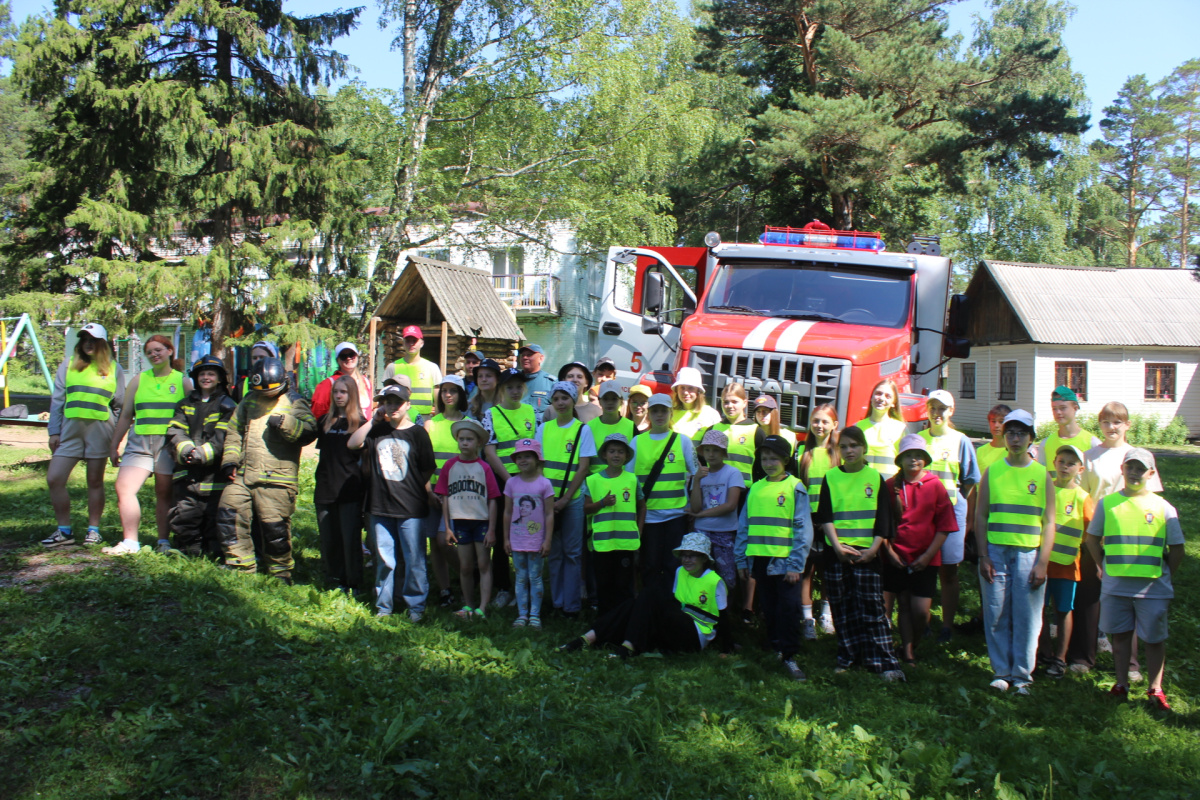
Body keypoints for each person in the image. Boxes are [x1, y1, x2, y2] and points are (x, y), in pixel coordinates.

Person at [1084, 448, 1184, 710]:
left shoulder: (1164, 508)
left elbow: (1177, 548)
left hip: (1152, 587)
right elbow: (1092, 539)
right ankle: (1121, 684)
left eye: (1141, 469)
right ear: (1122, 469)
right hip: (1116, 584)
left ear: (1151, 474)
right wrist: (1101, 565)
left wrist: (1166, 576)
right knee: (1119, 636)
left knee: (1153, 639)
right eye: (1130, 467)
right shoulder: (1108, 504)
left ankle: (1155, 689)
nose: (1134, 473)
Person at [1072, 401, 1165, 675]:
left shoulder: (1138, 455)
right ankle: (1081, 657)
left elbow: (1153, 498)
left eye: (1117, 422)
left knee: (1128, 599)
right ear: (1099, 424)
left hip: (1130, 539)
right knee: (1088, 598)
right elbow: (1083, 498)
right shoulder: (1089, 456)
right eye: (1105, 421)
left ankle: (1130, 665)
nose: (1111, 427)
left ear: (1127, 425)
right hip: (1095, 535)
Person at [973, 409, 1056, 694]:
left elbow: (1049, 521)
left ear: (1031, 438)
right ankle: (1001, 672)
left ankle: (1022, 676)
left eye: (1021, 433)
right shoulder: (992, 472)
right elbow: (981, 517)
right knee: (996, 612)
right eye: (1011, 433)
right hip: (995, 553)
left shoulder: (1041, 475)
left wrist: (1043, 562)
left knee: (1027, 617)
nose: (1016, 438)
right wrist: (983, 555)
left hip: (1028, 555)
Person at [216, 357, 318, 583]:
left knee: (275, 529)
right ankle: (240, 564)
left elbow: (310, 431)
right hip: (243, 473)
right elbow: (234, 432)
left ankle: (280, 573)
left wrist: (286, 423)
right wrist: (230, 461)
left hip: (278, 478)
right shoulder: (249, 401)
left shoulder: (295, 402)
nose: (265, 395)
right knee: (228, 514)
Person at [814, 425, 904, 681]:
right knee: (842, 609)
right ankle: (848, 656)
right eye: (844, 447)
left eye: (854, 446)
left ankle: (883, 661)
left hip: (868, 555)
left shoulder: (875, 478)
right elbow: (826, 516)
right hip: (838, 553)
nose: (849, 451)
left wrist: (874, 550)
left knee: (873, 608)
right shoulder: (831, 477)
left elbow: (883, 520)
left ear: (864, 448)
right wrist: (836, 546)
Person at [560, 532, 731, 658]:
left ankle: (627, 647)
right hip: (676, 624)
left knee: (650, 593)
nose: (687, 560)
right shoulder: (680, 571)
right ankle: (588, 638)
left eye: (693, 556)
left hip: (695, 634)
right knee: (633, 604)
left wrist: (726, 649)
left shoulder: (714, 581)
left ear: (704, 559)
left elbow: (724, 617)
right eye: (685, 555)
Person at [348, 384, 436, 620]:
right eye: (388, 402)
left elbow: (427, 468)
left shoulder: (418, 434)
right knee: (385, 560)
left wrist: (411, 488)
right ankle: (384, 607)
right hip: (379, 506)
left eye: (398, 402)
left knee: (414, 559)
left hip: (411, 507)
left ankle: (416, 606)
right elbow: (353, 444)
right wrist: (372, 422)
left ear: (408, 404)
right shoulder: (377, 432)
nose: (393, 406)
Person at [735, 434, 813, 682]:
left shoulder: (795, 487)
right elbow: (744, 526)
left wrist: (796, 564)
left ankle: (790, 655)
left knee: (788, 609)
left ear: (786, 460)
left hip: (786, 564)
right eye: (765, 458)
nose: (769, 463)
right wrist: (741, 560)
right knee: (768, 608)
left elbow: (803, 529)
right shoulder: (755, 488)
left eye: (774, 458)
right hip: (759, 561)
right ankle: (775, 647)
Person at [43, 323, 127, 548]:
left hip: (100, 432)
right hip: (70, 432)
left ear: (103, 343)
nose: (88, 343)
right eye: (84, 339)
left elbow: (119, 406)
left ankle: (93, 530)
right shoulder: (68, 366)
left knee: (94, 482)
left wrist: (115, 440)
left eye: (93, 339)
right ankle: (64, 531)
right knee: (55, 478)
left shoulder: (114, 369)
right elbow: (58, 400)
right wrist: (54, 431)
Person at [107, 334, 192, 555]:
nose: (154, 355)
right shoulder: (138, 380)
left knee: (163, 493)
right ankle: (130, 542)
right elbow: (126, 415)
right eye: (149, 352)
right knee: (124, 488)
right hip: (139, 444)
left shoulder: (182, 381)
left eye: (158, 350)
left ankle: (163, 542)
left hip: (168, 445)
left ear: (170, 351)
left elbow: (192, 416)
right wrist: (114, 444)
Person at [883, 435, 957, 663]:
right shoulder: (889, 486)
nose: (913, 460)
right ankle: (907, 652)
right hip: (896, 557)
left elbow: (945, 526)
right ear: (900, 460)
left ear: (925, 460)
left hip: (926, 559)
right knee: (903, 604)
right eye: (908, 455)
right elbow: (882, 525)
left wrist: (927, 556)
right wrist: (890, 553)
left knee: (921, 611)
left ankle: (913, 642)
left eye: (918, 456)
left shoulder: (936, 486)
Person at [918, 389, 980, 643]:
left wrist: (961, 513)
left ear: (950, 411)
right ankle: (923, 622)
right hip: (923, 514)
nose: (936, 413)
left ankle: (947, 625)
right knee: (924, 569)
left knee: (949, 571)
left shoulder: (960, 440)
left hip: (952, 514)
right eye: (932, 408)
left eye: (942, 408)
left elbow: (969, 481)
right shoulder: (919, 438)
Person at [165, 356, 238, 559]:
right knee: (185, 516)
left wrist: (202, 454)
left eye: (211, 374)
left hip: (214, 477)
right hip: (187, 474)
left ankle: (215, 554)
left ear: (220, 378)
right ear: (196, 377)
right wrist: (186, 450)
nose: (206, 377)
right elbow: (175, 431)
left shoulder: (228, 405)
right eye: (202, 374)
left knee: (215, 518)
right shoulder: (184, 404)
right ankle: (189, 553)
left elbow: (224, 437)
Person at [536, 381, 595, 617]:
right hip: (548, 502)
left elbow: (583, 468)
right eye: (556, 398)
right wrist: (548, 499)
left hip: (572, 501)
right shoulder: (544, 428)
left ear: (573, 401)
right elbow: (539, 465)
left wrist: (566, 498)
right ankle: (557, 601)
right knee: (554, 552)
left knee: (572, 553)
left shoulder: (583, 430)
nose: (560, 403)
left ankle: (571, 605)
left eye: (565, 398)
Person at [630, 393, 697, 590]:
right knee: (650, 565)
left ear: (671, 413)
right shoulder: (637, 442)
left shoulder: (683, 441)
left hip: (676, 516)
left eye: (664, 411)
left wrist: (693, 506)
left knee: (672, 565)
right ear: (649, 413)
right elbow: (628, 479)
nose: (660, 415)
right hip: (648, 517)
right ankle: (651, 606)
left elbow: (696, 474)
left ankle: (670, 607)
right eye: (655, 411)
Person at [436, 419, 501, 619]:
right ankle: (468, 605)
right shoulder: (449, 466)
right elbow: (444, 497)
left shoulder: (484, 467)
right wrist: (447, 527)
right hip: (460, 521)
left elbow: (492, 499)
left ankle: (482, 606)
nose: (465, 443)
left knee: (483, 564)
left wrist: (491, 529)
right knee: (465, 565)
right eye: (462, 439)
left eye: (469, 439)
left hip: (480, 521)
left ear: (478, 443)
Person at [1039, 445, 1094, 678]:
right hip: (1041, 563)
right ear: (1054, 462)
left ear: (1080, 469)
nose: (1064, 466)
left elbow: (1091, 533)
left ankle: (1060, 658)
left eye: (1071, 463)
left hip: (1067, 565)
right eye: (1061, 461)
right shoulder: (1045, 490)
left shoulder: (1083, 497)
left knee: (1063, 610)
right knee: (1039, 609)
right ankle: (1042, 652)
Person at [313, 375, 367, 594]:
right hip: (325, 487)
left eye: (343, 392)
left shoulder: (360, 424)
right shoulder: (325, 421)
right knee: (329, 538)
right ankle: (334, 579)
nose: (338, 396)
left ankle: (353, 582)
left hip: (349, 490)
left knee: (349, 539)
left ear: (351, 394)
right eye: (336, 392)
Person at [583, 433, 645, 614]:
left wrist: (639, 531)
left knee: (624, 583)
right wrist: (602, 503)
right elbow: (586, 509)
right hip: (602, 543)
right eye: (612, 451)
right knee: (604, 583)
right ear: (604, 455)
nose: (616, 455)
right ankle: (605, 619)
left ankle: (624, 617)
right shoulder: (593, 480)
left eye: (620, 452)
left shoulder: (632, 480)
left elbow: (642, 507)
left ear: (626, 456)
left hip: (625, 543)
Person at [424, 375, 470, 608]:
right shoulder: (431, 424)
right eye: (444, 391)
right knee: (436, 543)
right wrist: (428, 490)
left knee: (448, 542)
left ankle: (468, 577)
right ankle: (445, 590)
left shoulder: (468, 424)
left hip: (459, 494)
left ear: (461, 394)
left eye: (453, 390)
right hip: (432, 493)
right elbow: (424, 461)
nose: (448, 395)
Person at [503, 439, 556, 627]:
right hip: (517, 540)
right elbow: (508, 512)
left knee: (535, 577)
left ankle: (535, 615)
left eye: (527, 456)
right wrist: (506, 538)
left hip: (536, 541)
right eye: (519, 457)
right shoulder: (511, 483)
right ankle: (522, 614)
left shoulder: (545, 484)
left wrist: (547, 540)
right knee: (520, 577)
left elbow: (549, 514)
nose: (523, 460)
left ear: (537, 459)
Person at [798, 403, 839, 638]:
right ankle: (806, 618)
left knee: (828, 569)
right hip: (807, 517)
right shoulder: (802, 451)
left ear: (834, 425)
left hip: (830, 520)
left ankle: (827, 614)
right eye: (816, 420)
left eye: (825, 421)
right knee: (807, 569)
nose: (819, 425)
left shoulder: (838, 453)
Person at [689, 429, 744, 592]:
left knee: (727, 577)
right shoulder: (699, 474)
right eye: (707, 450)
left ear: (723, 452)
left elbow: (730, 505)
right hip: (702, 531)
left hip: (725, 532)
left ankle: (725, 612)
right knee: (699, 574)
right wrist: (697, 480)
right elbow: (696, 506)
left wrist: (701, 515)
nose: (711, 454)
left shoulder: (732, 473)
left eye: (715, 450)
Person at [382, 325, 442, 422]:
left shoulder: (432, 367)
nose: (411, 344)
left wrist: (437, 421)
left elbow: (438, 400)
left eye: (414, 341)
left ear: (422, 343)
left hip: (425, 419)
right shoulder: (392, 367)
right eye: (408, 340)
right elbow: (385, 396)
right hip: (399, 419)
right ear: (403, 343)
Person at [854, 378, 906, 480]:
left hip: (889, 490)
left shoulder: (901, 429)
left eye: (888, 396)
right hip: (861, 488)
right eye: (878, 393)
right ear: (871, 397)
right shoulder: (857, 428)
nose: (881, 398)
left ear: (893, 403)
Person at [310, 341, 373, 421]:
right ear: (337, 360)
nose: (348, 358)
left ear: (357, 356)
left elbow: (369, 413)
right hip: (339, 431)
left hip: (364, 431)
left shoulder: (366, 382)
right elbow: (318, 414)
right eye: (343, 356)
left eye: (351, 355)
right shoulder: (327, 384)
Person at [1037, 386, 1099, 467]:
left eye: (1063, 408)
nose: (1058, 412)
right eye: (1054, 408)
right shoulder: (1045, 444)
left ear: (1075, 408)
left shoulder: (1092, 443)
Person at [711, 383, 756, 484]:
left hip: (745, 490)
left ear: (745, 403)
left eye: (735, 402)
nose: (729, 406)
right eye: (726, 402)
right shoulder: (713, 430)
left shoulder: (756, 431)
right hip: (716, 487)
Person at [587, 383, 634, 472]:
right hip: (596, 482)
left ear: (621, 401)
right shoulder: (589, 427)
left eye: (614, 399)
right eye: (605, 399)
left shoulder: (631, 426)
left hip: (622, 482)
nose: (610, 402)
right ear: (599, 401)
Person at [670, 366, 721, 442]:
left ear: (698, 391)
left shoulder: (711, 414)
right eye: (682, 388)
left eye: (690, 388)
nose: (685, 392)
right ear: (677, 390)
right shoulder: (669, 413)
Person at [975, 404, 1012, 478]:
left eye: (1001, 422)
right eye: (993, 421)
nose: (996, 425)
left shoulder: (1014, 451)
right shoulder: (980, 451)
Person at [518, 344, 555, 416]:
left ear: (541, 358)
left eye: (529, 355)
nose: (525, 358)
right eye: (523, 355)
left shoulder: (551, 383)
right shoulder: (513, 381)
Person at [468, 357, 502, 422]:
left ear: (497, 379)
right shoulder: (469, 406)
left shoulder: (505, 406)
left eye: (488, 376)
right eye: (480, 376)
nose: (484, 379)